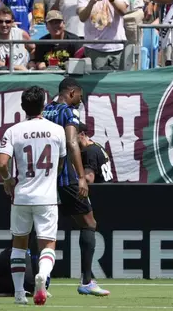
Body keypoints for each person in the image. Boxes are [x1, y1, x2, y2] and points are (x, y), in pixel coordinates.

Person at [0, 86, 67, 306]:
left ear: (23, 106)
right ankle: (42, 277)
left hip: (22, 196)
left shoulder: (14, 131)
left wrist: (8, 180)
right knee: (48, 245)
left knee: (19, 244)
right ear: (44, 105)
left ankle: (19, 294)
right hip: (46, 197)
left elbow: (1, 164)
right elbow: (61, 162)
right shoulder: (57, 130)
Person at [43, 78, 110, 297]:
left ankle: (41, 282)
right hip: (66, 178)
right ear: (71, 93)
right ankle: (86, 281)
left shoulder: (45, 110)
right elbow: (72, 143)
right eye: (80, 96)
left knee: (44, 232)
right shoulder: (68, 112)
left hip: (44, 179)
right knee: (89, 223)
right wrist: (81, 177)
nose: (80, 101)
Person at [77, 0, 129, 70]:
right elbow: (82, 17)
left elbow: (123, 11)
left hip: (116, 46)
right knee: (97, 82)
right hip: (94, 47)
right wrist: (91, 2)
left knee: (117, 80)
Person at [0, 7, 34, 71]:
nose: (4, 24)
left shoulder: (21, 34)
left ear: (12, 22)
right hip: (2, 75)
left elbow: (33, 48)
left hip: (23, 74)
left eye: (7, 21)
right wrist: (16, 67)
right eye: (0, 21)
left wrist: (32, 61)